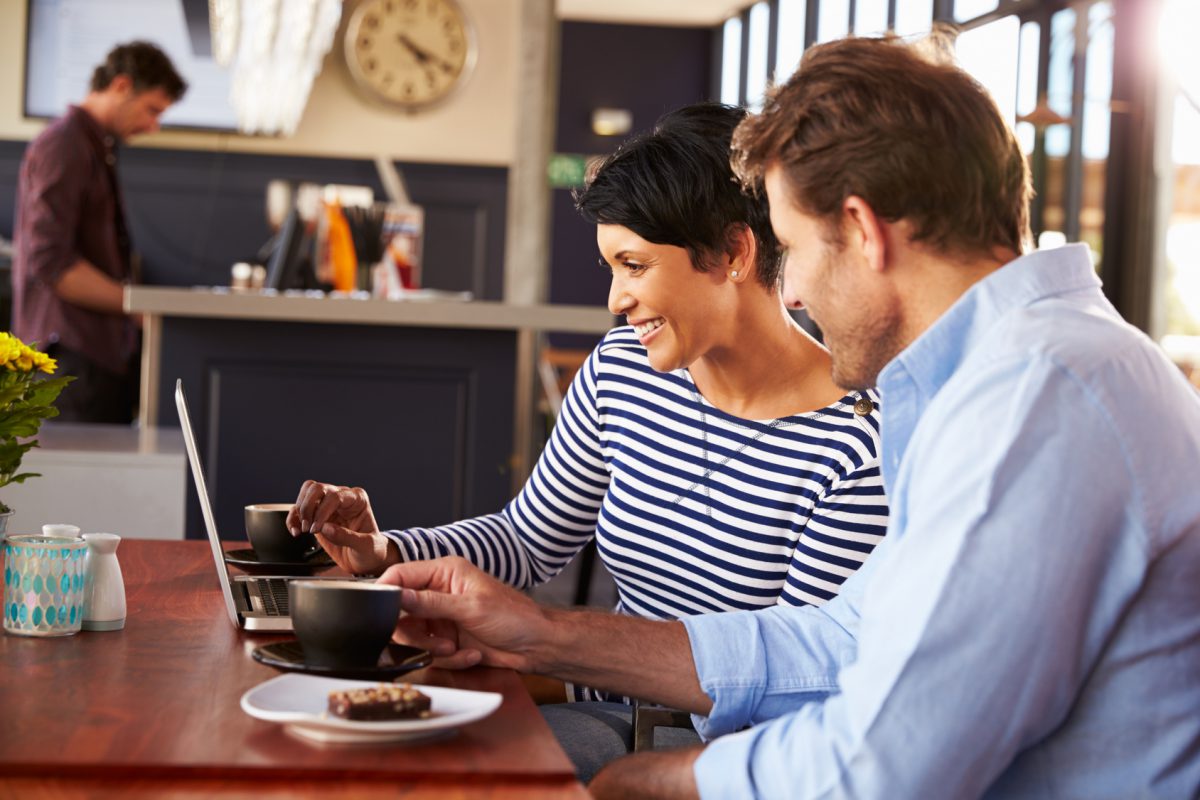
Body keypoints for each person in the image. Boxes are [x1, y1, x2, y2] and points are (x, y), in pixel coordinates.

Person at [375, 32, 1200, 799]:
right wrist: (539, 635)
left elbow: (879, 764)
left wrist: (652, 780)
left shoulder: (1038, 402)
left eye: (793, 248)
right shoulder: (1019, 376)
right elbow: (834, 643)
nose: (792, 289)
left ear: (861, 231)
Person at [289, 104, 888, 698]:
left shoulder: (854, 447)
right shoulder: (623, 367)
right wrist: (384, 551)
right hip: (595, 704)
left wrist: (538, 665)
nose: (615, 299)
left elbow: (792, 685)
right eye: (610, 267)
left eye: (634, 265)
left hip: (703, 753)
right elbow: (526, 541)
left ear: (733, 253)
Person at [12, 41, 187, 424]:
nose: (153, 126)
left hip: (87, 358)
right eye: (152, 110)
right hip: (70, 361)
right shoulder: (64, 144)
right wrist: (136, 305)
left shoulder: (89, 145)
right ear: (122, 86)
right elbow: (52, 264)